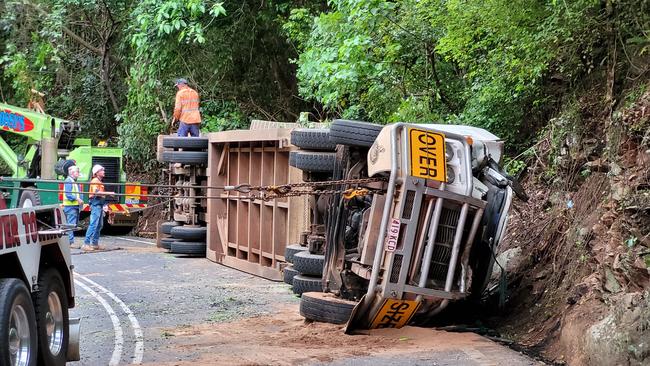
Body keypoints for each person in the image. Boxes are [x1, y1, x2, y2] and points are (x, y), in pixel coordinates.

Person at [82, 165, 115, 252]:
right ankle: (86, 243)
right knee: (93, 224)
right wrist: (109, 193)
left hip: (99, 205)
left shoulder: (99, 181)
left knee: (99, 225)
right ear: (97, 173)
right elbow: (97, 192)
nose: (104, 172)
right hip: (96, 205)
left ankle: (95, 243)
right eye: (102, 170)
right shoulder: (95, 181)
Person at [63, 165, 83, 248]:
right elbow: (68, 194)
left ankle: (70, 242)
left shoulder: (73, 181)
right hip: (70, 206)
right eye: (77, 172)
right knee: (71, 224)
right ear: (72, 173)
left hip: (73, 206)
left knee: (72, 224)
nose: (78, 173)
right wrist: (78, 199)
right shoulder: (69, 181)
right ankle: (70, 242)